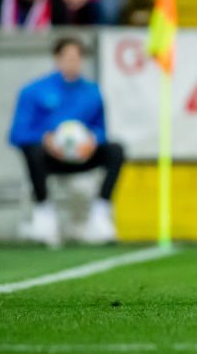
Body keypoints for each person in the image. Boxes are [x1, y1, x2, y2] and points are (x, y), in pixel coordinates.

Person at [8, 37, 124, 246]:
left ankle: (100, 212)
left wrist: (92, 140)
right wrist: (45, 139)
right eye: (68, 58)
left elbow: (101, 130)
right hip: (48, 159)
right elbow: (17, 134)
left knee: (116, 150)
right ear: (57, 59)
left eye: (77, 58)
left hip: (82, 156)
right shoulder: (33, 91)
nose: (73, 63)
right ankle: (43, 212)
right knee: (32, 150)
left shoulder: (92, 93)